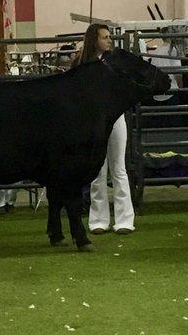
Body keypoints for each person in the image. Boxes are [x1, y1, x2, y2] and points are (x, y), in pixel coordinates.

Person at [74, 23, 135, 235]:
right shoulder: (81, 64)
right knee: (97, 171)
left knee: (118, 169)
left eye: (110, 37)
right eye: (105, 37)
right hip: (92, 121)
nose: (109, 40)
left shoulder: (117, 63)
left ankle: (125, 220)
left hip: (116, 119)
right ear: (94, 40)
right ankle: (98, 220)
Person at [144, 27, 183, 127]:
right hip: (171, 91)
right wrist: (181, 87)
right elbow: (178, 72)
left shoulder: (156, 51)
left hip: (158, 92)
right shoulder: (173, 51)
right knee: (173, 123)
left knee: (160, 123)